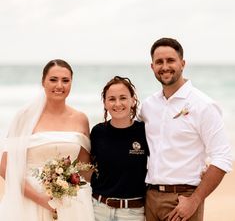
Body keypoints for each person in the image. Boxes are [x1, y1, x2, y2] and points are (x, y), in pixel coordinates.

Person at [139, 37, 232, 221]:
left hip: (182, 199)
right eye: (159, 62)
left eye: (170, 60)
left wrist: (195, 200)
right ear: (152, 67)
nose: (165, 67)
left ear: (182, 63)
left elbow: (223, 158)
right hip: (149, 197)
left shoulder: (203, 105)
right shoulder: (148, 106)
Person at [0, 59, 95, 220]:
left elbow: (84, 169)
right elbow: (5, 166)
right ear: (43, 82)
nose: (59, 85)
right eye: (53, 80)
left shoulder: (81, 119)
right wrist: (41, 199)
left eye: (65, 80)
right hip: (30, 203)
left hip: (71, 203)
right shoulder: (24, 117)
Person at [90, 76, 149, 221]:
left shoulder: (144, 131)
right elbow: (88, 167)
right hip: (98, 209)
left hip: (133, 213)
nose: (118, 104)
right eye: (111, 99)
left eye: (123, 98)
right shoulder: (98, 132)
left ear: (132, 100)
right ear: (105, 103)